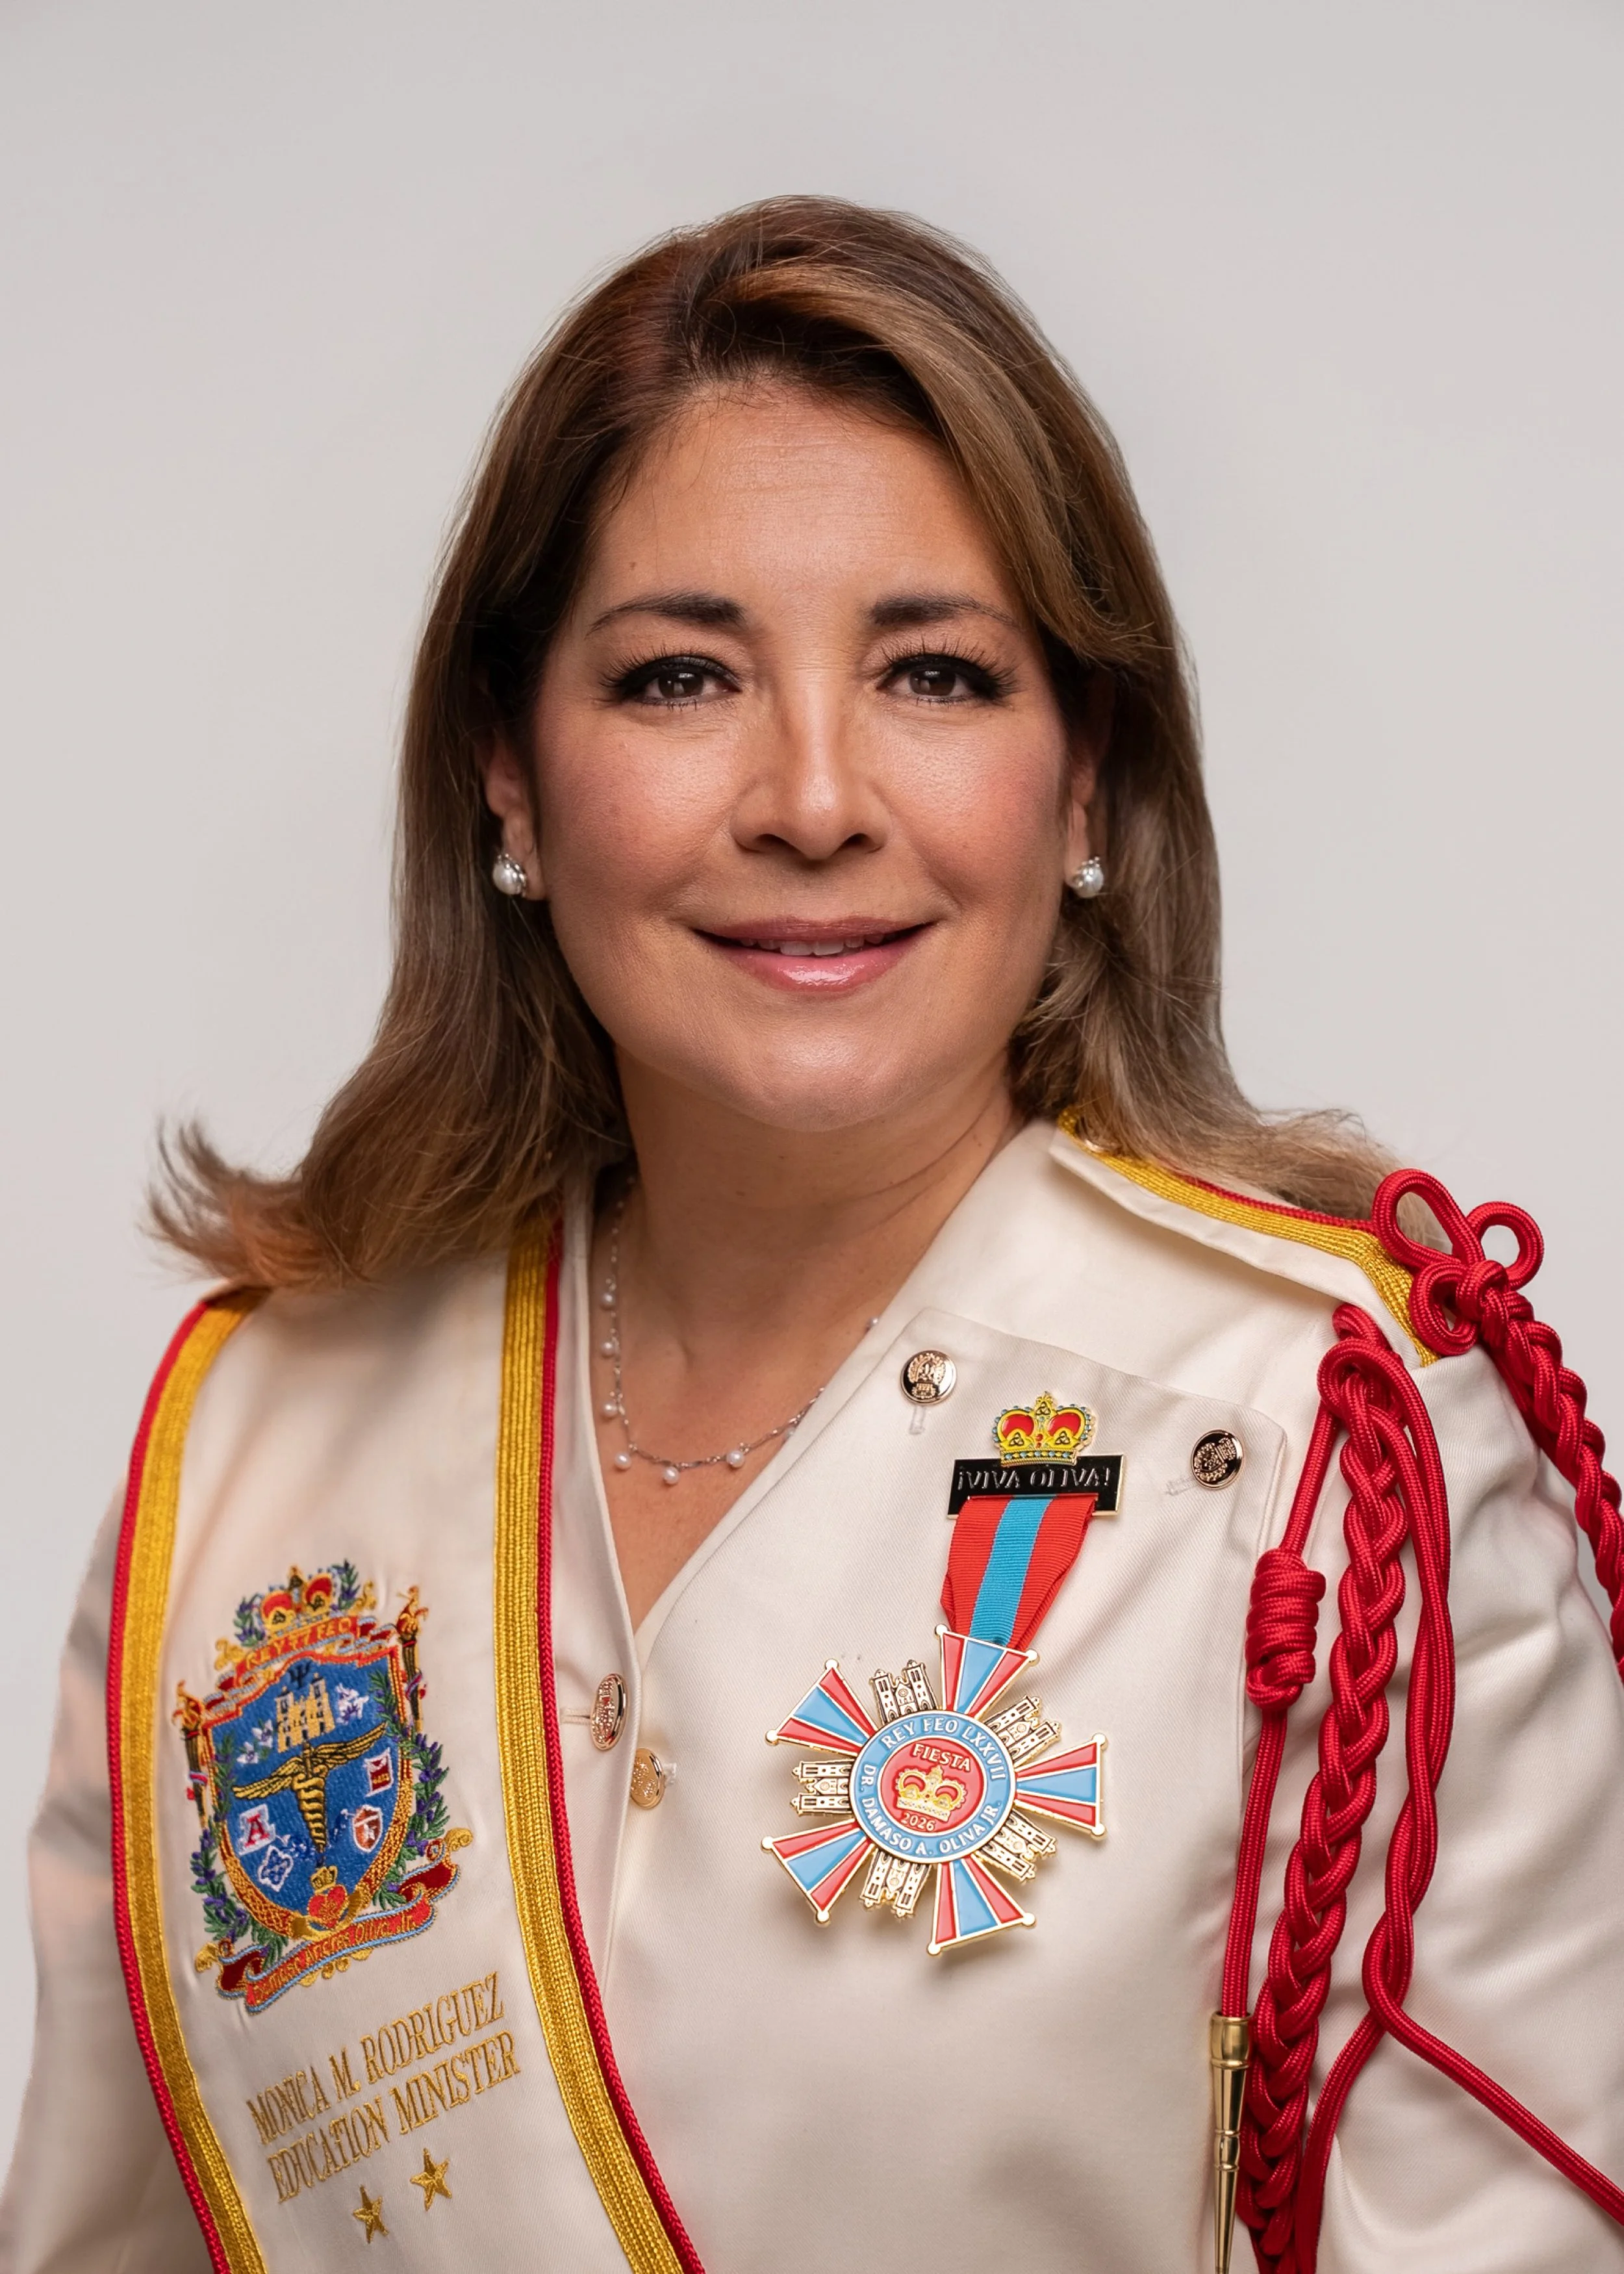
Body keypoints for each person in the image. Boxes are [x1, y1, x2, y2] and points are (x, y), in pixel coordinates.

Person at [3, 194, 1621, 2274]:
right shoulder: (255, 1451)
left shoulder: (1338, 1459)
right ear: (510, 771)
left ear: (1082, 780)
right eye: (680, 676)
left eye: (934, 673)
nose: (813, 795)